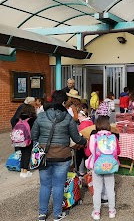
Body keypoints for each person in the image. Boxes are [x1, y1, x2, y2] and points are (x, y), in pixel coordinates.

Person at [31, 90, 87, 221]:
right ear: (63, 102)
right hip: (62, 156)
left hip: (44, 155)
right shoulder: (67, 118)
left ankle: (42, 214)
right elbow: (76, 138)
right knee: (58, 185)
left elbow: (33, 136)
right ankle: (57, 214)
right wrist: (85, 141)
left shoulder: (41, 116)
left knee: (45, 185)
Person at [85, 116, 120, 220]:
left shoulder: (93, 137)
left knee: (97, 190)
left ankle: (96, 212)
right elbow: (118, 152)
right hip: (110, 166)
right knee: (110, 189)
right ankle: (112, 211)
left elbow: (88, 152)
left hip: (97, 166)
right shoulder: (113, 137)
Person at [18, 104, 37, 178]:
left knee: (23, 153)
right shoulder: (32, 119)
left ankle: (22, 170)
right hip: (28, 139)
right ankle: (25, 171)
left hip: (20, 138)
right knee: (27, 154)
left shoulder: (20, 117)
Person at [76, 110, 94, 176]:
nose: (78, 118)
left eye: (80, 116)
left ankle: (81, 172)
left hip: (84, 144)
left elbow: (80, 135)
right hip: (91, 143)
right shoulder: (90, 122)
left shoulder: (83, 124)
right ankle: (89, 173)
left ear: (84, 116)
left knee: (80, 157)